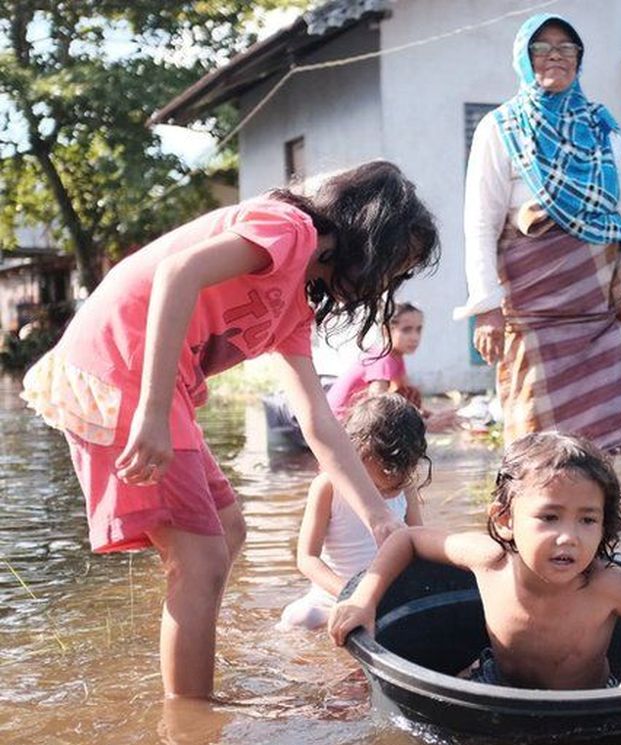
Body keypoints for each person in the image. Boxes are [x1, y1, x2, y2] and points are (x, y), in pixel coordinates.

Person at [21, 160, 440, 699]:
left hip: (159, 388)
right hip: (124, 369)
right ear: (368, 233)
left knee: (228, 529)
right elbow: (177, 273)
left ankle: (191, 659)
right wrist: (150, 412)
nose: (388, 282)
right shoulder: (290, 229)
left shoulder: (293, 307)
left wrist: (382, 521)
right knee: (201, 559)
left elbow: (317, 419)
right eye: (393, 264)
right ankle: (191, 720)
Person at [328, 431, 621, 715]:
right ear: (505, 520)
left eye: (587, 520)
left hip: (588, 702)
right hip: (496, 683)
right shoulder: (491, 561)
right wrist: (365, 600)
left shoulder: (608, 585)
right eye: (549, 517)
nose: (568, 537)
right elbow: (407, 539)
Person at [455, 13, 621, 453]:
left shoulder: (601, 128)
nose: (555, 57)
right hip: (535, 315)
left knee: (608, 441)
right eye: (542, 48)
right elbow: (481, 223)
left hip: (602, 312)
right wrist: (487, 308)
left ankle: (599, 520)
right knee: (537, 445)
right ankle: (537, 519)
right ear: (523, 59)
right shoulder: (501, 128)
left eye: (566, 49)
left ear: (578, 59)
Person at [278, 393, 428, 630]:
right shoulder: (328, 487)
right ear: (353, 452)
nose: (387, 488)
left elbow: (419, 543)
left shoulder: (406, 489)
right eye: (378, 482)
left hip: (384, 598)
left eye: (397, 480)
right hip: (332, 599)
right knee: (300, 617)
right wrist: (350, 595)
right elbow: (307, 559)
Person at [324, 301, 457, 432]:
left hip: (353, 421)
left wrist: (433, 415)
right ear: (386, 331)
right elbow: (377, 409)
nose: (415, 337)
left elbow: (406, 399)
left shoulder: (396, 357)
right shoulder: (382, 358)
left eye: (418, 329)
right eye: (406, 330)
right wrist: (425, 425)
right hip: (338, 426)